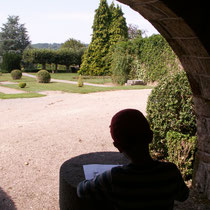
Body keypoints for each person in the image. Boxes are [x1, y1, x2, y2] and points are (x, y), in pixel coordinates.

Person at [77, 109, 189, 210]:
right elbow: (183, 196)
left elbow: (81, 190)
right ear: (150, 136)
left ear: (118, 146)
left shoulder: (114, 177)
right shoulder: (170, 172)